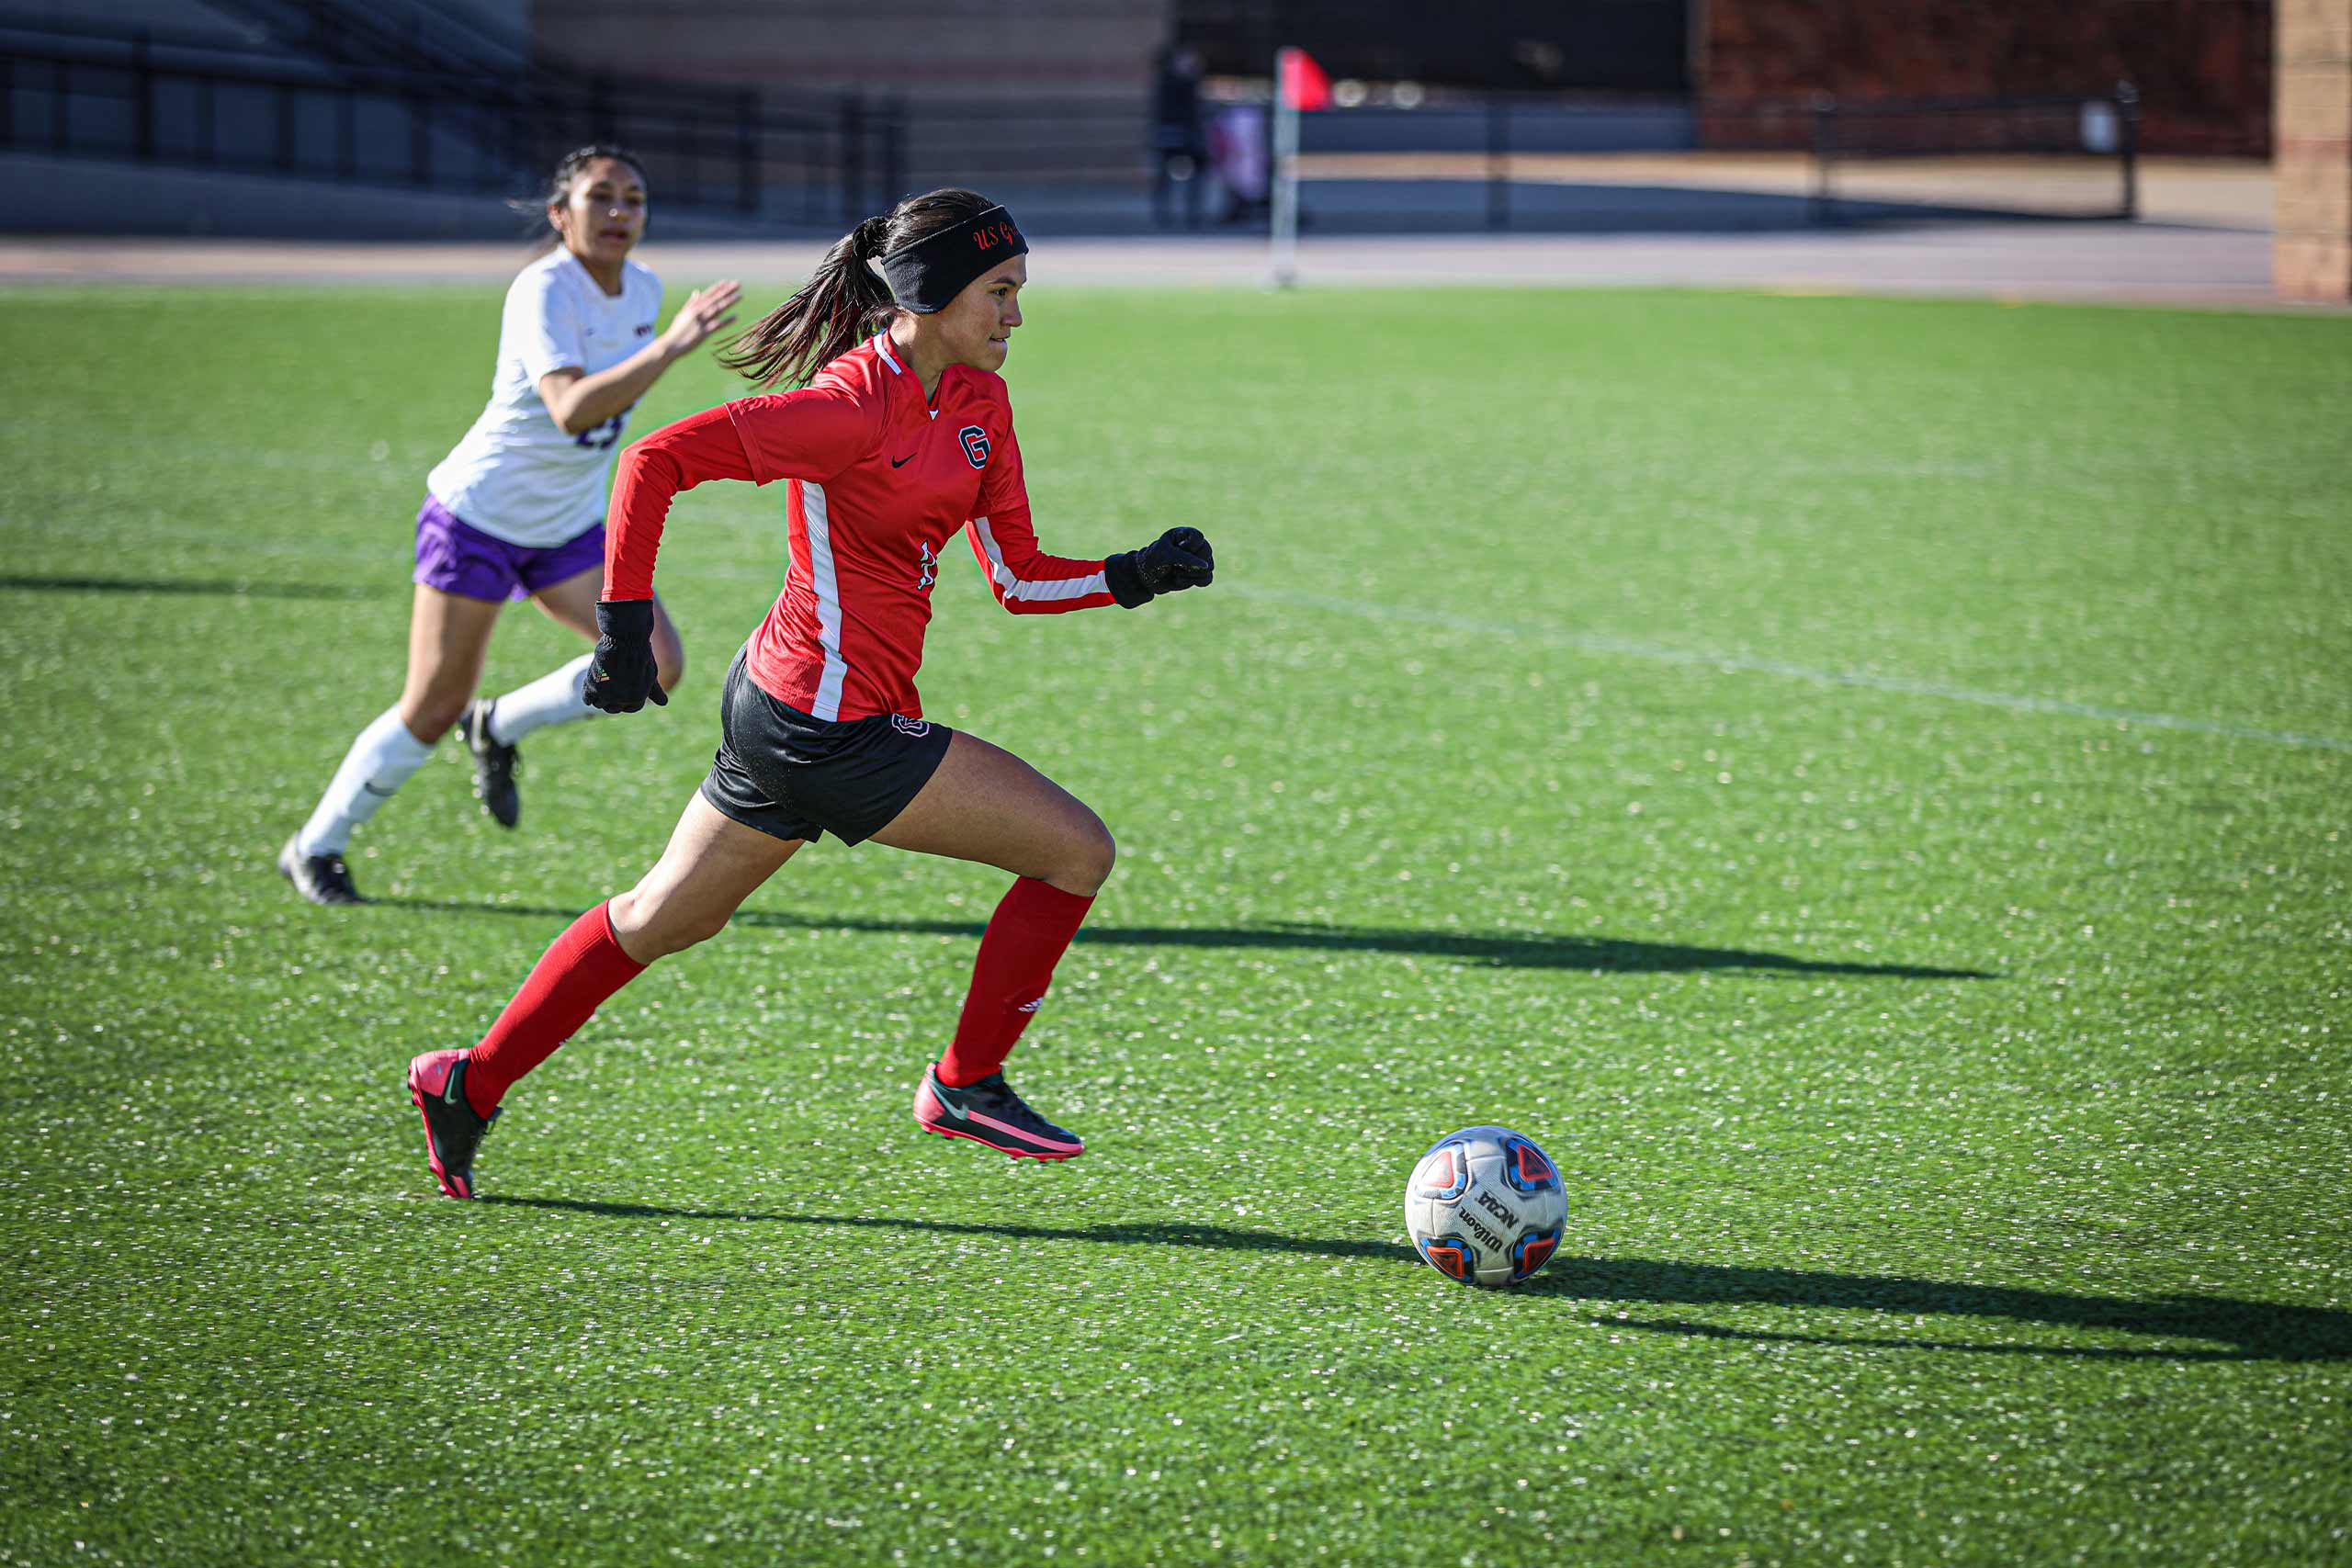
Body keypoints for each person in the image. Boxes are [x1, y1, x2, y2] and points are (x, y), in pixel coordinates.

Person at [404, 188, 1216, 1199]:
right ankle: (965, 1084)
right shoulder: (845, 407)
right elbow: (656, 460)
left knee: (661, 918)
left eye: (1019, 292)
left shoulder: (978, 400)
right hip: (828, 727)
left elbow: (1015, 578)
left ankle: (465, 1083)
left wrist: (1134, 572)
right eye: (999, 292)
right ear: (928, 293)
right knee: (1075, 851)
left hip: (788, 712)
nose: (1015, 315)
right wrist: (620, 626)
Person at [278, 144, 742, 904]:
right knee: (430, 706)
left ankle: (498, 726)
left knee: (655, 661)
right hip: (479, 519)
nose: (621, 211)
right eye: (601, 197)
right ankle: (315, 845)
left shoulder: (646, 286)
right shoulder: (542, 289)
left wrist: (665, 341)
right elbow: (569, 408)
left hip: (565, 526)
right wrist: (671, 346)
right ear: (562, 215)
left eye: (634, 198)